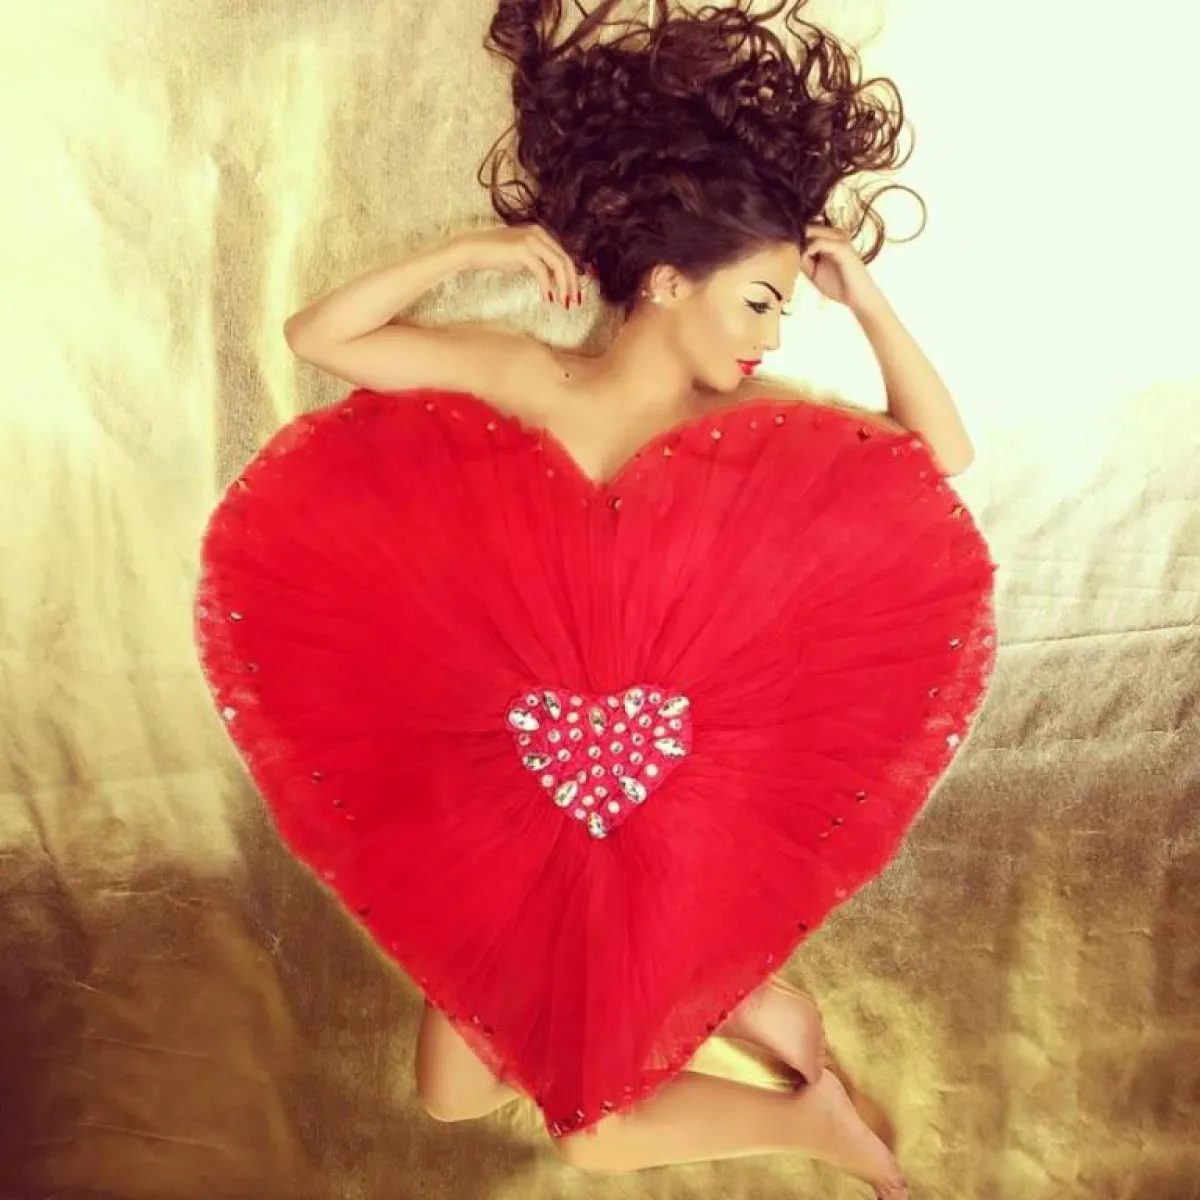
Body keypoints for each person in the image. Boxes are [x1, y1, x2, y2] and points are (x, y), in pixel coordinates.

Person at [195, 2, 996, 1196]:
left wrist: (866, 304)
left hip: (665, 802)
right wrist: (470, 253)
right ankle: (743, 1005)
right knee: (451, 1090)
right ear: (668, 281)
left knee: (587, 1128)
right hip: (516, 791)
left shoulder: (752, 426)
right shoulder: (530, 377)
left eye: (783, 308)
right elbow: (323, 336)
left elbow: (941, 457)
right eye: (760, 301)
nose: (773, 336)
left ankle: (809, 1108)